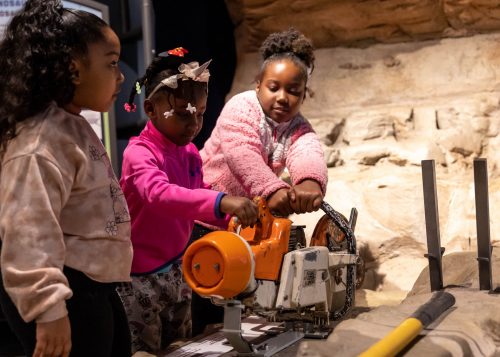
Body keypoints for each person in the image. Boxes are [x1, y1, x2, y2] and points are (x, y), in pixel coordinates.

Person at [0, 1, 133, 357]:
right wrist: (49, 310)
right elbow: (28, 234)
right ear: (73, 69)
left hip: (91, 289)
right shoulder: (38, 143)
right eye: (111, 63)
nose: (120, 76)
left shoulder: (69, 125)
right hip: (64, 294)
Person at [117, 48, 259, 354]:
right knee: (145, 351)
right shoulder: (139, 154)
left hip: (178, 269)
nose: (194, 123)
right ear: (151, 109)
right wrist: (221, 201)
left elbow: (197, 196)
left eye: (201, 112)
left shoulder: (190, 153)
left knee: (182, 347)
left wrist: (233, 218)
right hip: (138, 277)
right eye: (182, 114)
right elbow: (160, 194)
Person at [193, 28, 328, 336]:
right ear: (257, 85)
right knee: (202, 294)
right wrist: (273, 188)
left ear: (304, 95)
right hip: (204, 218)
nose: (283, 96)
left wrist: (310, 182)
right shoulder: (240, 108)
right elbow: (243, 154)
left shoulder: (298, 126)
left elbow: (308, 150)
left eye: (294, 90)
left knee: (238, 293)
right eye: (274, 87)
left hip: (244, 223)